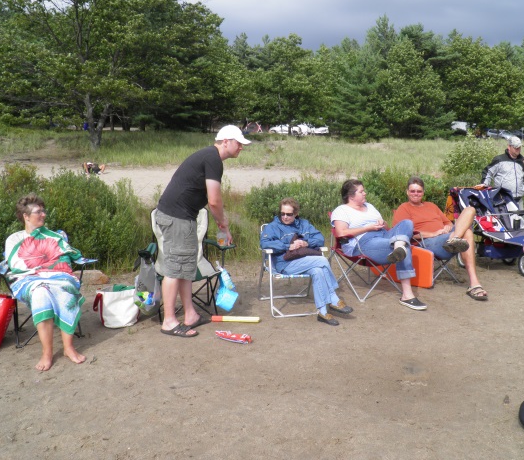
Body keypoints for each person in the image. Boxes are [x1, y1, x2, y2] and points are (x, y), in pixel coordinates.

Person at [152, 125, 250, 337]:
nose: (242, 147)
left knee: (186, 267)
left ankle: (191, 315)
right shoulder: (212, 158)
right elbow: (214, 201)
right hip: (176, 217)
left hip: (183, 217)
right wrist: (223, 225)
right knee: (174, 268)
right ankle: (169, 321)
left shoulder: (210, 157)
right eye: (238, 143)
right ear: (225, 141)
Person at [5, 193, 87, 371]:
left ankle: (68, 348)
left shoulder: (54, 236)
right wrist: (41, 270)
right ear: (26, 216)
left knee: (64, 290)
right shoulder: (14, 239)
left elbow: (64, 255)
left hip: (59, 277)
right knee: (41, 293)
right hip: (30, 279)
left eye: (43, 211)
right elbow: (16, 264)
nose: (43, 214)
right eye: (38, 212)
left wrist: (51, 269)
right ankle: (47, 353)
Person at [331, 179, 426, 311]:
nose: (365, 193)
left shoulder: (369, 206)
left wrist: (382, 223)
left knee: (407, 223)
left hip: (384, 236)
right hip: (363, 243)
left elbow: (387, 227)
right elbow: (341, 232)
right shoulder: (342, 210)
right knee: (404, 245)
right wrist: (368, 228)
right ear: (351, 196)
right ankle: (407, 294)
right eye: (361, 191)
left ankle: (398, 246)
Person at [260, 197, 353, 326]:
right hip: (285, 263)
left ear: (296, 214)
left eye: (289, 214)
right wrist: (288, 246)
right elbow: (264, 243)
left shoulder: (304, 224)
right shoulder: (273, 227)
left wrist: (305, 242)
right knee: (322, 260)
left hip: (305, 260)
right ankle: (333, 298)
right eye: (282, 214)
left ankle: (323, 312)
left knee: (318, 270)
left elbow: (320, 239)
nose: (285, 217)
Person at [393, 176, 488, 301]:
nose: (416, 194)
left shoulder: (431, 206)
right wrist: (432, 234)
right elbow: (402, 233)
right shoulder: (404, 208)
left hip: (446, 237)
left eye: (419, 191)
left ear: (423, 192)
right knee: (468, 233)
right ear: (407, 192)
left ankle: (454, 238)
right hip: (427, 242)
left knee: (470, 210)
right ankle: (474, 284)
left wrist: (448, 228)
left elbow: (447, 222)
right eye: (412, 191)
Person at [477, 135, 524, 208]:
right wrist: (484, 184)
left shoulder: (521, 163)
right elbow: (488, 172)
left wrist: (522, 189)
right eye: (515, 147)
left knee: (520, 219)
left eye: (519, 147)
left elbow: (523, 178)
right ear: (509, 147)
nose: (518, 149)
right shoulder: (499, 159)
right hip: (503, 199)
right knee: (507, 219)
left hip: (519, 200)